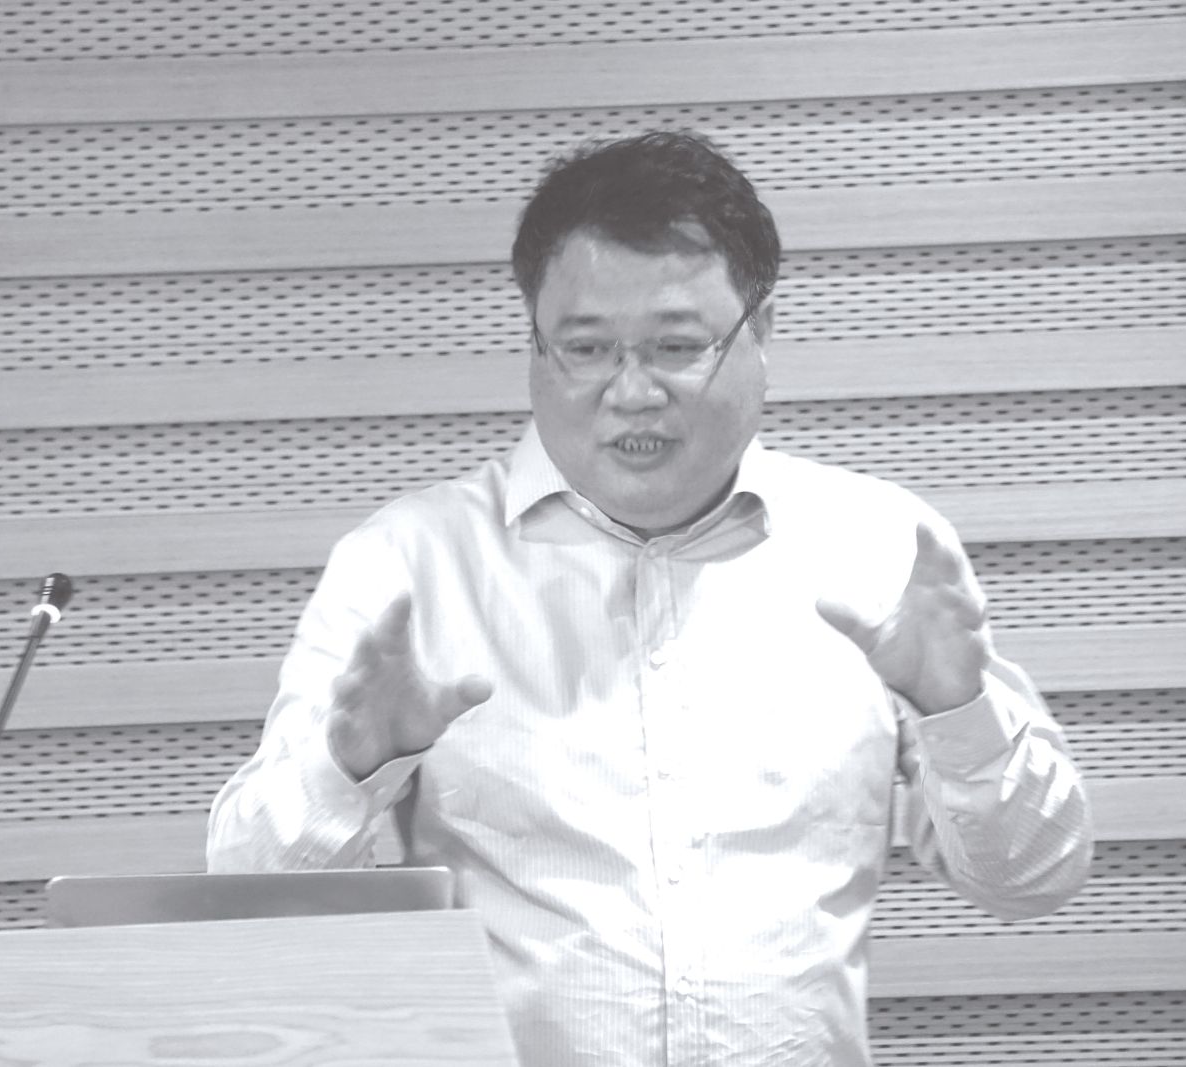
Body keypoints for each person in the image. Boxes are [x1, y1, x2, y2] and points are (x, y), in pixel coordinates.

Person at [207, 130, 1093, 1066]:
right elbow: (250, 896)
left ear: (761, 331)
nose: (631, 392)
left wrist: (959, 712)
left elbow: (1033, 876)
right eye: (586, 348)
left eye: (676, 346)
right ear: (535, 342)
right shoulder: (412, 565)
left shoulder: (879, 549)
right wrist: (352, 765)